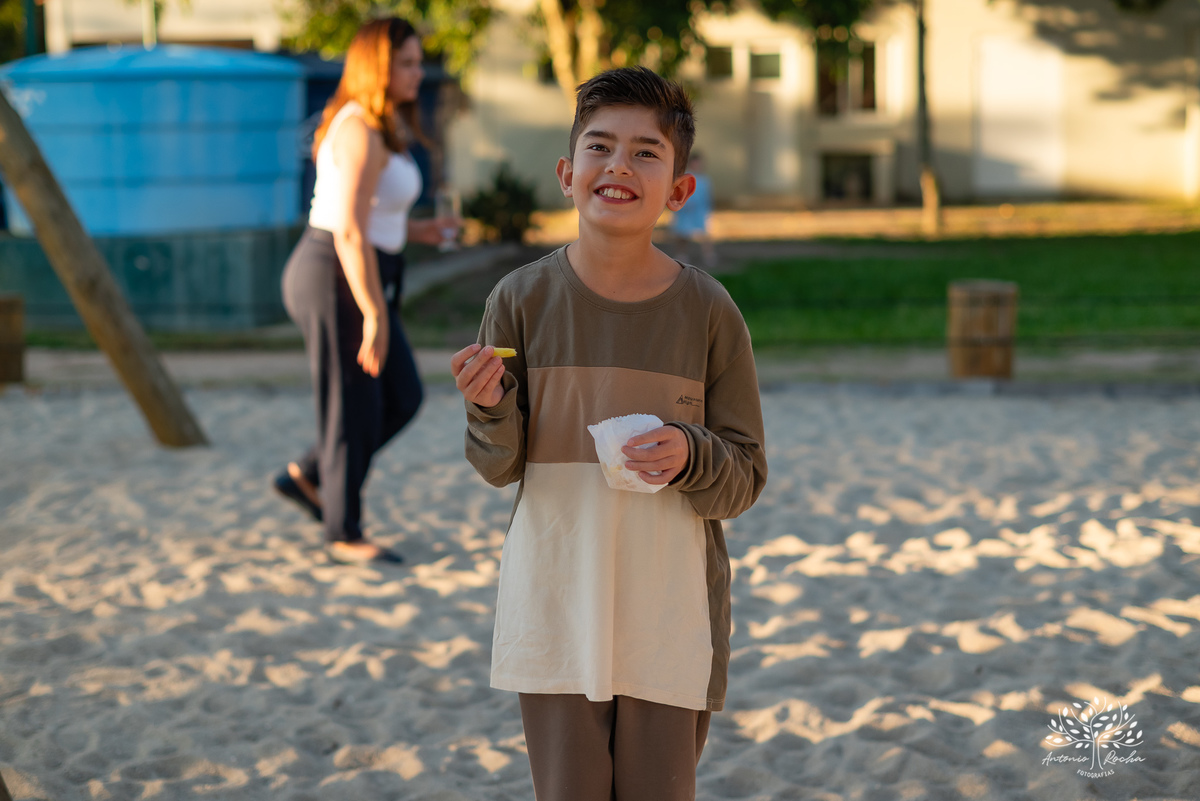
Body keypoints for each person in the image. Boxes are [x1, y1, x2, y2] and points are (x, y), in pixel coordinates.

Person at [450, 67, 768, 800]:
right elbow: (499, 465)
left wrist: (692, 452)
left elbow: (745, 475)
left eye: (646, 153)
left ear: (679, 191)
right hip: (556, 603)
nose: (619, 165)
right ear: (568, 173)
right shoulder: (519, 300)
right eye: (600, 147)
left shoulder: (711, 313)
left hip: (671, 610)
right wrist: (489, 405)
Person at [273, 17, 456, 565]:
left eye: (418, 62)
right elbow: (349, 228)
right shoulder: (357, 128)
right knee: (352, 404)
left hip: (365, 270)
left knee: (402, 397)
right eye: (406, 62)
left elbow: (375, 217)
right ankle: (343, 533)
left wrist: (420, 231)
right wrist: (374, 312)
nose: (417, 72)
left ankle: (307, 475)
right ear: (377, 64)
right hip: (334, 273)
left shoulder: (384, 125)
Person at [667, 151, 717, 269]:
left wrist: (709, 209)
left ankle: (708, 255)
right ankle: (681, 254)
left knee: (705, 234)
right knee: (682, 234)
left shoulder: (705, 179)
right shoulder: (685, 177)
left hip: (700, 211)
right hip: (685, 211)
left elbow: (707, 196)